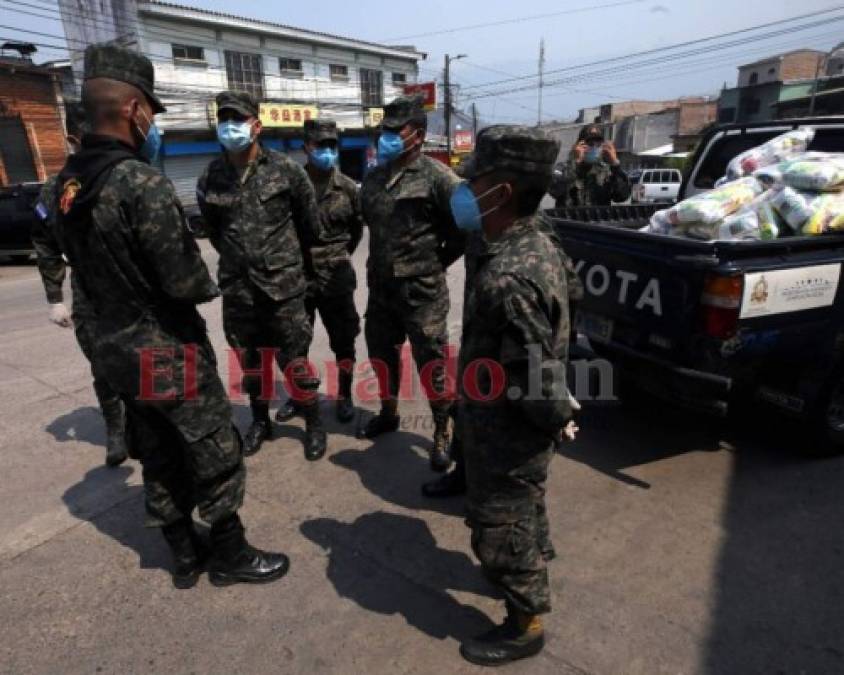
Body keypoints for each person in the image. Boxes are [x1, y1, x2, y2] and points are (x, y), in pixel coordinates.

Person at [53, 43, 288, 589]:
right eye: (152, 113)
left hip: (112, 348)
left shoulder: (64, 184)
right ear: (135, 110)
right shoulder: (141, 183)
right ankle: (228, 552)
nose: (153, 125)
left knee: (156, 451)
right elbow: (184, 282)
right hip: (162, 346)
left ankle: (183, 553)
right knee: (212, 446)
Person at [449, 125, 577, 666]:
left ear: (500, 191)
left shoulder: (509, 275)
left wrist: (557, 415)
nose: (464, 191)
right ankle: (531, 555)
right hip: (503, 419)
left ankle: (525, 622)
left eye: (473, 181)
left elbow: (532, 375)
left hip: (505, 430)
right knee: (523, 507)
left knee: (499, 523)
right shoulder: (534, 240)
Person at [197, 92, 326, 460]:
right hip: (239, 289)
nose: (229, 127)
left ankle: (313, 422)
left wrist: (286, 265)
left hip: (283, 290)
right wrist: (242, 261)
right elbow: (214, 230)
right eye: (223, 120)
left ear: (257, 125)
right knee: (250, 362)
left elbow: (310, 227)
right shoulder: (212, 175)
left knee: (294, 361)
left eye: (236, 119)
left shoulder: (287, 170)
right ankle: (259, 422)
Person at [358, 93, 464, 472]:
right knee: (381, 356)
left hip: (422, 293)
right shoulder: (372, 179)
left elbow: (464, 231)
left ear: (417, 135)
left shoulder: (439, 178)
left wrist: (432, 264)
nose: (384, 137)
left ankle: (441, 431)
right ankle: (388, 413)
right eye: (381, 131)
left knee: (432, 363)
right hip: (381, 290)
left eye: (393, 131)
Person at [32, 102, 129, 468]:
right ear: (73, 140)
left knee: (151, 367)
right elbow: (44, 241)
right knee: (103, 369)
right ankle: (117, 430)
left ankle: (150, 426)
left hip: (137, 296)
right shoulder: (57, 189)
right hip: (91, 299)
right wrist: (55, 297)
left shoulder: (128, 177)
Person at [275, 119, 362, 425]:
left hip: (336, 278)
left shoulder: (348, 188)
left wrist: (335, 257)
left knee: (344, 341)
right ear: (306, 147)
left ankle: (345, 395)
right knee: (295, 345)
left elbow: (355, 232)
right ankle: (300, 398)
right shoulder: (289, 186)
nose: (327, 150)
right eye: (320, 145)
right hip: (297, 279)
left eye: (332, 145)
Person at [549, 123, 631, 207]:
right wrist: (576, 163)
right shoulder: (564, 168)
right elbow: (555, 191)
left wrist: (615, 164)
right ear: (579, 145)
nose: (594, 147)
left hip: (596, 219)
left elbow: (622, 196)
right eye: (590, 144)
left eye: (598, 144)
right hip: (569, 219)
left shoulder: (607, 171)